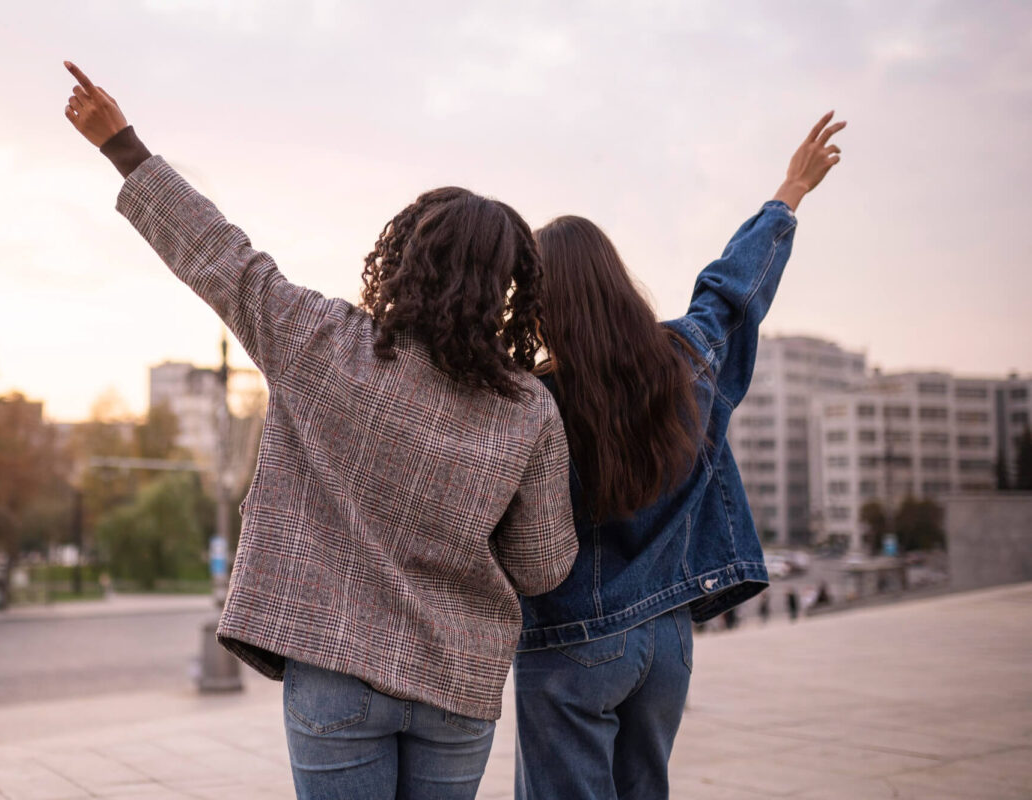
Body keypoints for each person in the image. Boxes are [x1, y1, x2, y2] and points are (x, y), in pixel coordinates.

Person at [61, 62, 577, 800]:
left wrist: (124, 147)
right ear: (507, 287)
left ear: (403, 256)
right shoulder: (528, 408)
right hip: (458, 682)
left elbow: (222, 259)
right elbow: (541, 567)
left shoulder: (323, 341)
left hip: (335, 665)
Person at [513, 112, 845, 800]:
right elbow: (732, 290)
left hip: (573, 643)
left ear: (542, 309)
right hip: (666, 641)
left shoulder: (532, 400)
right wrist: (788, 194)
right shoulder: (687, 361)